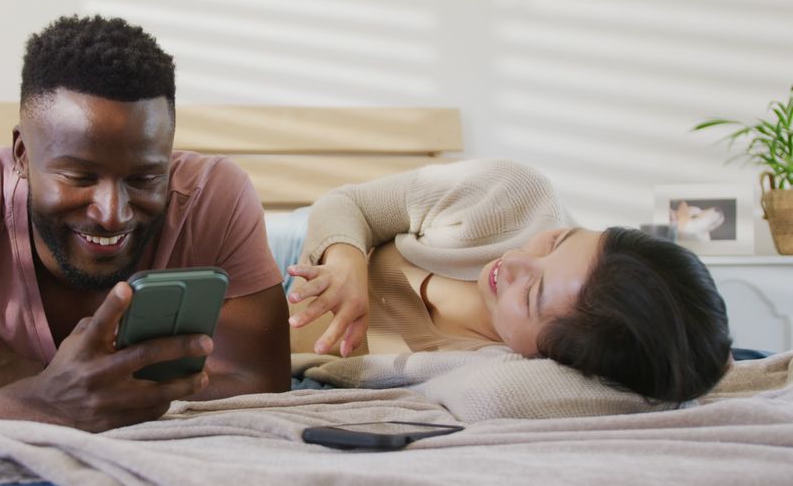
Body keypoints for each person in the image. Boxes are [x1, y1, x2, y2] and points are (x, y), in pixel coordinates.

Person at [0, 15, 291, 430]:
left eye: (144, 177)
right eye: (80, 176)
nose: (112, 212)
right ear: (23, 154)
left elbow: (262, 383)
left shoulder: (215, 198)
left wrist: (25, 378)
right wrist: (35, 403)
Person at [287, 159, 731, 403]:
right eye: (557, 241)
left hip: (276, 347)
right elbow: (349, 203)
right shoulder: (513, 195)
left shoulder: (498, 370)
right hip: (298, 249)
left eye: (533, 295)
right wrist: (344, 261)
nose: (516, 262)